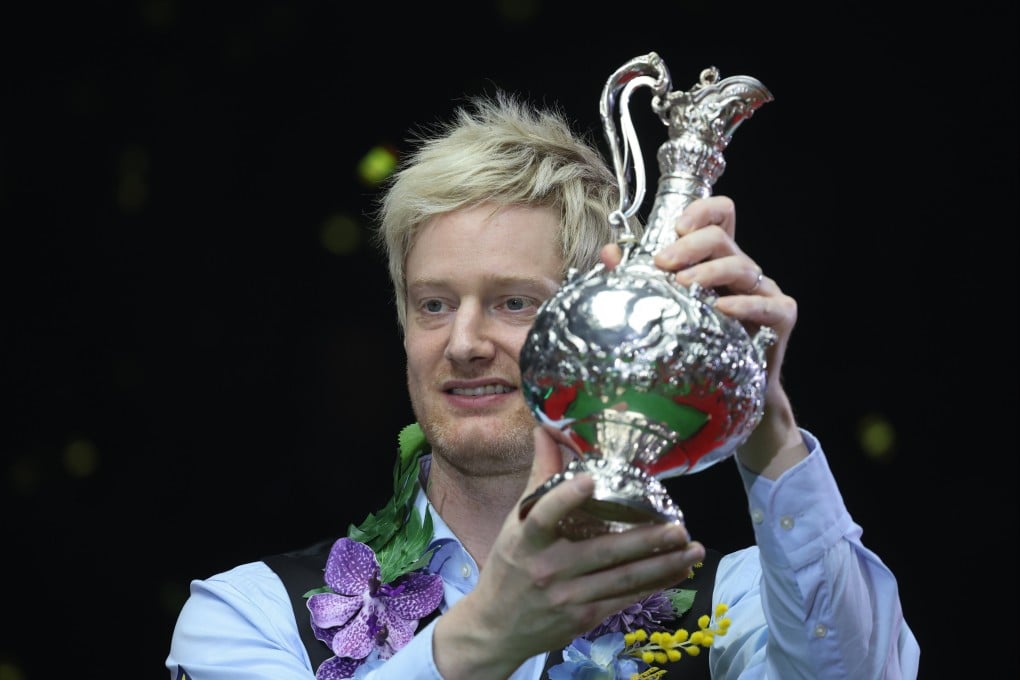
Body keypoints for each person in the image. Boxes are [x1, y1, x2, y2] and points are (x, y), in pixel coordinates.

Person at [166, 91, 919, 679]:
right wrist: (494, 627)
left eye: (513, 303)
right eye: (434, 304)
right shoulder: (248, 612)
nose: (463, 343)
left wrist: (767, 425)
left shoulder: (732, 602)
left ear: (599, 322)